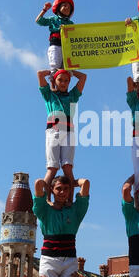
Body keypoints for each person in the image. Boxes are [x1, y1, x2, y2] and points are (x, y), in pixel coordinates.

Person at [37, 68, 87, 204]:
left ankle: (69, 200)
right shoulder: (49, 95)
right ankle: (46, 199)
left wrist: (71, 71)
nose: (64, 83)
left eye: (66, 80)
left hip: (69, 133)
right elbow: (40, 75)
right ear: (55, 80)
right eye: (60, 80)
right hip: (53, 131)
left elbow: (83, 77)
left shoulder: (72, 96)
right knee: (52, 168)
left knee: (67, 168)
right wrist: (53, 72)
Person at [33, 176, 90, 277]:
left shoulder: (75, 211)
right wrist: (48, 189)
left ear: (70, 190)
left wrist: (72, 183)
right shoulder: (44, 210)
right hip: (49, 260)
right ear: (52, 190)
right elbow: (38, 183)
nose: (62, 192)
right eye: (58, 188)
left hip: (69, 261)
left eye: (66, 189)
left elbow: (85, 183)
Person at [36, 0, 74, 74]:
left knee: (66, 70)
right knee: (55, 67)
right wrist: (45, 9)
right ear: (58, 8)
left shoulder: (71, 24)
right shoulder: (53, 19)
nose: (67, 8)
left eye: (69, 8)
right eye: (64, 5)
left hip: (66, 48)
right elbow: (39, 21)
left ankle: (63, 85)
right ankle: (52, 84)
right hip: (56, 44)